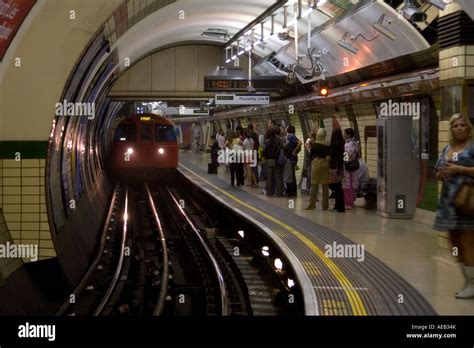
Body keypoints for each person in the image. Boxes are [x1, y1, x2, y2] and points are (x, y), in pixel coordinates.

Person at [433, 113, 474, 299]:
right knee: (455, 245)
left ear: (468, 128)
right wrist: (441, 174)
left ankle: (472, 284)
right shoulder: (447, 149)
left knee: (468, 244)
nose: (459, 128)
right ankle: (467, 280)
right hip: (448, 204)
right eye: (455, 126)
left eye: (462, 125)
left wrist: (460, 169)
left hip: (467, 204)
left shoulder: (472, 148)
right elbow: (437, 171)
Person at [305, 128, 330, 210]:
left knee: (314, 184)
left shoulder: (315, 144)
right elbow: (329, 156)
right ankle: (325, 206)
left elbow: (311, 155)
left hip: (316, 164)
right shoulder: (328, 144)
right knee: (325, 185)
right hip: (325, 165)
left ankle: (312, 204)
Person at [328, 128, 345, 212]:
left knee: (335, 186)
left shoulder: (334, 145)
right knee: (339, 187)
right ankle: (338, 206)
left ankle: (340, 207)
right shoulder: (343, 144)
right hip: (340, 167)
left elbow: (331, 156)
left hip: (334, 168)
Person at [342, 128, 359, 210]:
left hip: (349, 168)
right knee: (349, 185)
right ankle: (349, 201)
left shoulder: (350, 144)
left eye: (344, 133)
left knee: (348, 186)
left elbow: (348, 155)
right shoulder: (352, 143)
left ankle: (349, 203)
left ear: (348, 135)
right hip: (350, 168)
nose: (343, 134)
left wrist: (344, 160)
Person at [284, 125, 302, 197]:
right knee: (291, 175)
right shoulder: (290, 136)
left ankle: (291, 192)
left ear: (289, 129)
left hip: (291, 159)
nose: (285, 129)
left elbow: (300, 143)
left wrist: (294, 151)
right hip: (292, 158)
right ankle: (292, 191)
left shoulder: (291, 136)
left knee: (290, 176)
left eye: (286, 128)